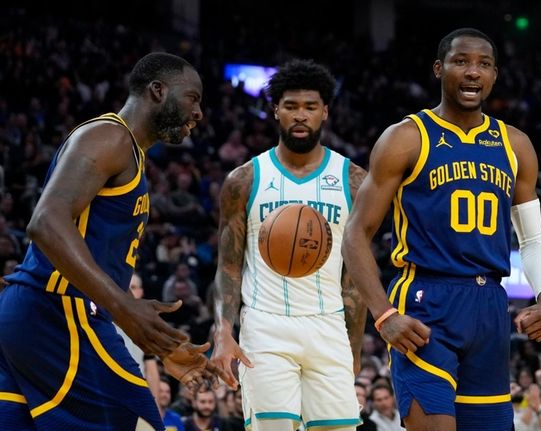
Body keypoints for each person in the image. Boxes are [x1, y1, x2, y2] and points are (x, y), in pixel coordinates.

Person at [341, 27, 541, 430]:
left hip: (490, 304)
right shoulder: (405, 138)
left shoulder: (515, 145)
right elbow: (355, 234)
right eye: (461, 62)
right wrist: (384, 314)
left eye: (484, 64)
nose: (473, 72)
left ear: (495, 75)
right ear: (439, 69)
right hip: (426, 299)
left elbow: (532, 237)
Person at [0, 52, 223, 430]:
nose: (200, 112)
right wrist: (123, 307)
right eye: (193, 97)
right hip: (57, 313)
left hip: (37, 317)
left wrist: (156, 340)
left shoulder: (129, 152)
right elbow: (46, 220)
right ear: (157, 90)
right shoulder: (110, 136)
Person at [211, 59, 367, 430]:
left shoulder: (355, 181)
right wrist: (223, 332)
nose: (301, 116)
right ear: (275, 111)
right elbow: (229, 266)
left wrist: (354, 348)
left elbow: (355, 275)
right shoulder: (244, 180)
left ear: (325, 112)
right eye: (291, 106)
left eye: (310, 107)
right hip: (265, 325)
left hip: (328, 326)